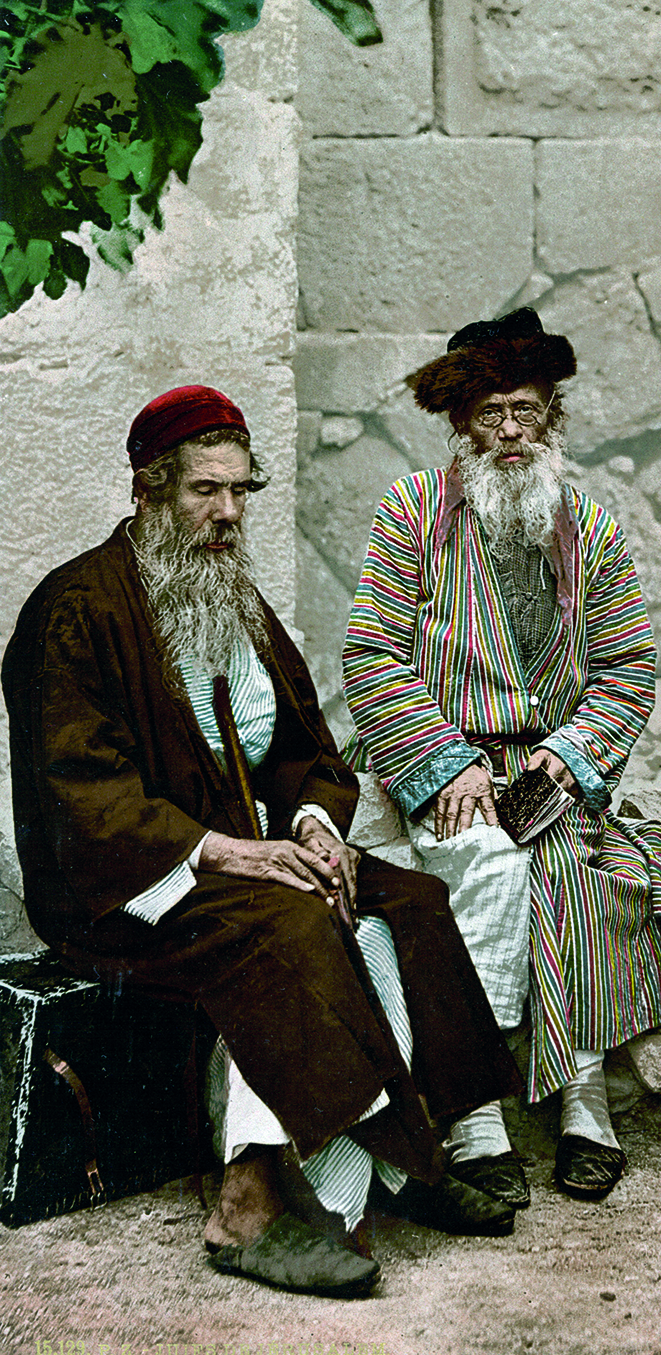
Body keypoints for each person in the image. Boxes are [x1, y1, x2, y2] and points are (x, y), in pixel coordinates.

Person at [2, 385, 524, 1298]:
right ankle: (247, 1204)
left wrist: (316, 828)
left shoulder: (231, 598)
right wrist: (234, 853)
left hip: (242, 866)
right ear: (148, 488)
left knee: (404, 899)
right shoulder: (74, 610)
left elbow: (301, 748)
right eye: (206, 491)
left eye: (242, 491)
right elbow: (81, 794)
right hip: (122, 888)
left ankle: (407, 1162)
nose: (228, 514)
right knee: (286, 927)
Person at [341, 308, 661, 1207]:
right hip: (441, 766)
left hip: (549, 774)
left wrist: (567, 760)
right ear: (462, 423)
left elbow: (624, 666)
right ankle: (477, 1113)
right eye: (493, 412)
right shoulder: (414, 512)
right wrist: (443, 758)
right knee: (478, 866)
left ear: (554, 421)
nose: (510, 431)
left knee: (586, 877)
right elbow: (372, 653)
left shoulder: (593, 530)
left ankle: (585, 1105)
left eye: (528, 411)